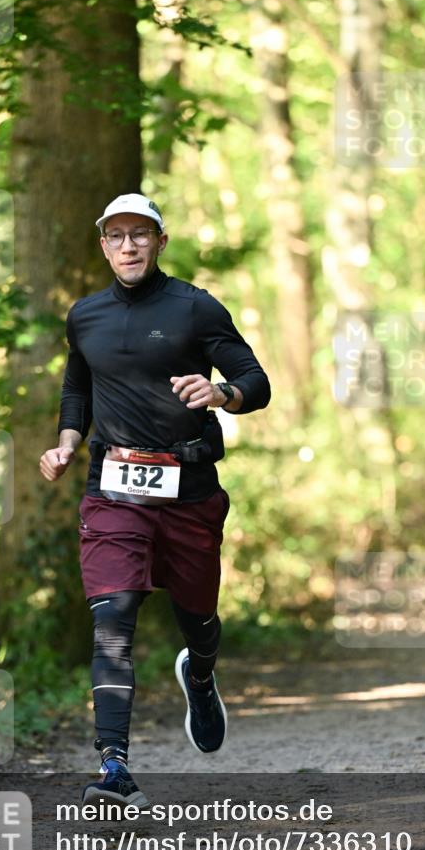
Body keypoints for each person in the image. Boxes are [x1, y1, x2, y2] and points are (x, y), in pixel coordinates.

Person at [39, 193, 270, 807]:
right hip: (113, 491)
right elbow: (77, 388)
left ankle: (199, 672)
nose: (128, 246)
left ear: (160, 241)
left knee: (199, 615)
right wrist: (65, 445)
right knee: (111, 621)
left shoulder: (194, 307)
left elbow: (257, 382)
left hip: (189, 489)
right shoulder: (85, 316)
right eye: (116, 236)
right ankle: (114, 765)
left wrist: (220, 395)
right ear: (103, 245)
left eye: (140, 234)